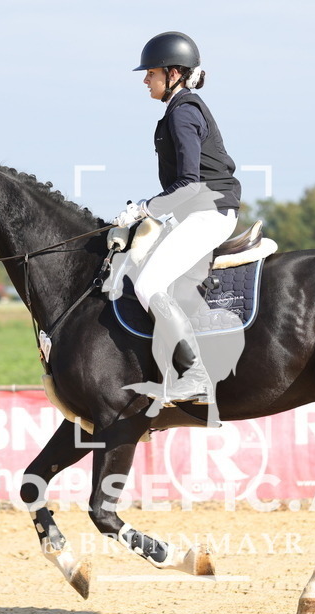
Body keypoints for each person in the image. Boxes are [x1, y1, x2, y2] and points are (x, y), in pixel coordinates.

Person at [113, 31, 242, 405]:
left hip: (209, 212)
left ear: (172, 74)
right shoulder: (178, 110)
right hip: (197, 211)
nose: (145, 79)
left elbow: (188, 183)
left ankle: (196, 376)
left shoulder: (183, 113)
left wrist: (145, 209)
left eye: (150, 72)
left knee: (148, 285)